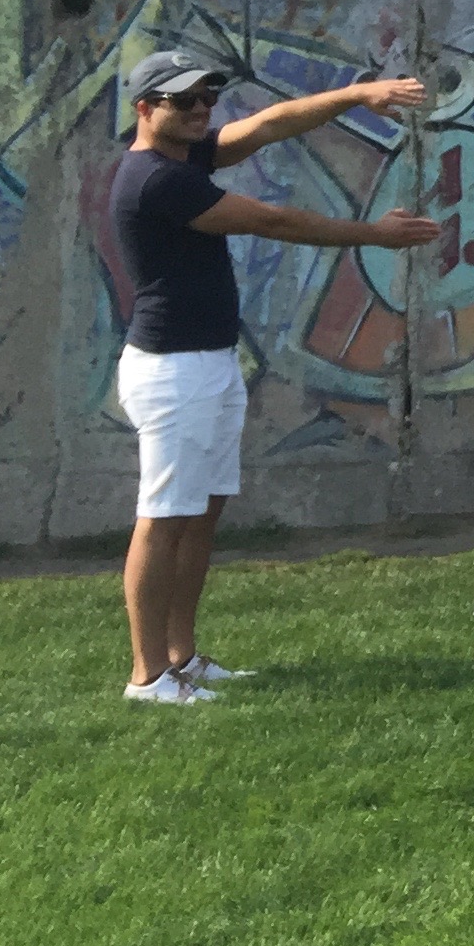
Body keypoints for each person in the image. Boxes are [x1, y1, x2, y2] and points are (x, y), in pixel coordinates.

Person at [108, 46, 438, 703]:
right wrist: (374, 235)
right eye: (185, 100)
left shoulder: (183, 156)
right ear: (146, 110)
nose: (203, 109)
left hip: (207, 362)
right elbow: (273, 220)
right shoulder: (158, 180)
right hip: (173, 371)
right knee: (165, 515)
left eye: (208, 97)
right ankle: (148, 676)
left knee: (201, 513)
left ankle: (183, 657)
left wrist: (353, 96)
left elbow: (268, 125)